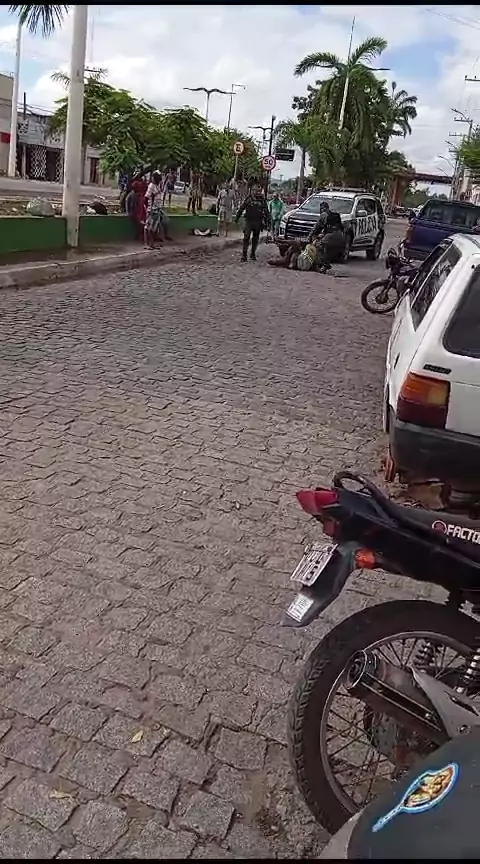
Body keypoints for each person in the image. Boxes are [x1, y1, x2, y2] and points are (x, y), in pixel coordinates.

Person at [236, 183, 270, 262]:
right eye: (255, 190)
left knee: (255, 239)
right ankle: (244, 255)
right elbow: (242, 208)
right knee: (246, 238)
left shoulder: (262, 200)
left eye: (258, 191)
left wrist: (268, 222)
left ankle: (253, 254)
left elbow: (266, 212)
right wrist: (237, 217)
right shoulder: (248, 199)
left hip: (258, 222)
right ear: (252, 191)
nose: (256, 192)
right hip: (249, 221)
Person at [144, 171, 169, 248]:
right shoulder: (151, 186)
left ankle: (151, 244)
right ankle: (147, 244)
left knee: (154, 228)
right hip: (152, 209)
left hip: (157, 209)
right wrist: (148, 208)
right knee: (148, 227)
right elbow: (146, 198)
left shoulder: (158, 186)